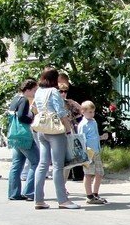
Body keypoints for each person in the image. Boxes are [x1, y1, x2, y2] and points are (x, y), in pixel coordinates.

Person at [32, 68, 79, 209]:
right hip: (55, 130)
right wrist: (69, 130)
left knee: (43, 164)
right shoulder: (53, 92)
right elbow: (61, 113)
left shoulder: (39, 91)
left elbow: (34, 108)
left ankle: (38, 199)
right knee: (58, 166)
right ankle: (62, 200)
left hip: (42, 129)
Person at [7, 78, 40, 201]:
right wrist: (32, 117)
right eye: (34, 90)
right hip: (24, 136)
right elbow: (22, 116)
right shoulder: (24, 100)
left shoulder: (15, 99)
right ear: (27, 90)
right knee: (36, 162)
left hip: (14, 135)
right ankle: (29, 192)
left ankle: (13, 193)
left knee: (16, 164)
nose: (35, 93)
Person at [77, 100, 107, 205]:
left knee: (99, 173)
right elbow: (81, 139)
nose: (92, 114)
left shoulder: (93, 122)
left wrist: (101, 137)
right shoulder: (82, 125)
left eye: (93, 112)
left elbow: (94, 136)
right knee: (88, 173)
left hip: (96, 151)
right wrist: (83, 152)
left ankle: (95, 193)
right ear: (83, 112)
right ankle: (89, 196)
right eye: (89, 112)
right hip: (88, 152)